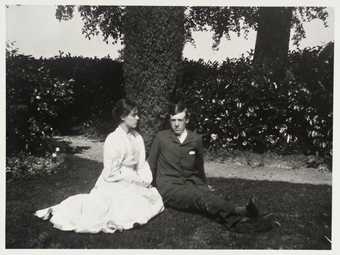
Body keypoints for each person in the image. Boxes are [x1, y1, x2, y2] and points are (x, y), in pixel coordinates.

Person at [34, 98, 164, 233]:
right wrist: (131, 179)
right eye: (134, 115)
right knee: (107, 208)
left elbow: (141, 163)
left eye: (138, 114)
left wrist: (143, 179)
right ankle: (67, 209)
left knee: (151, 200)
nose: (138, 118)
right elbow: (111, 173)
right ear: (122, 117)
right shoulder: (113, 139)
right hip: (115, 180)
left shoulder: (137, 137)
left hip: (133, 178)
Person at [148, 101, 273, 232]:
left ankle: (245, 218)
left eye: (180, 119)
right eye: (173, 120)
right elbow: (151, 165)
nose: (176, 124)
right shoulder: (161, 138)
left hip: (191, 183)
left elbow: (199, 168)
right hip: (169, 187)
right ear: (169, 120)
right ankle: (240, 217)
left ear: (187, 120)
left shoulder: (195, 139)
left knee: (209, 198)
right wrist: (147, 188)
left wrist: (203, 185)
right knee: (200, 198)